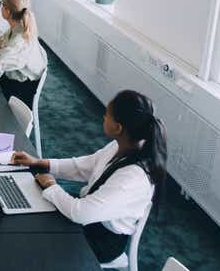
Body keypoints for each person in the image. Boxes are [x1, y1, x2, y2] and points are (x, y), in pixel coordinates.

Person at [11, 90, 167, 265]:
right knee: (31, 221)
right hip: (91, 216)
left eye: (107, 115)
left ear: (118, 128)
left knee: (33, 242)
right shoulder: (122, 144)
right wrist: (41, 163)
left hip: (102, 240)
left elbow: (80, 213)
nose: (103, 117)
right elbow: (83, 166)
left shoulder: (132, 177)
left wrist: (51, 186)